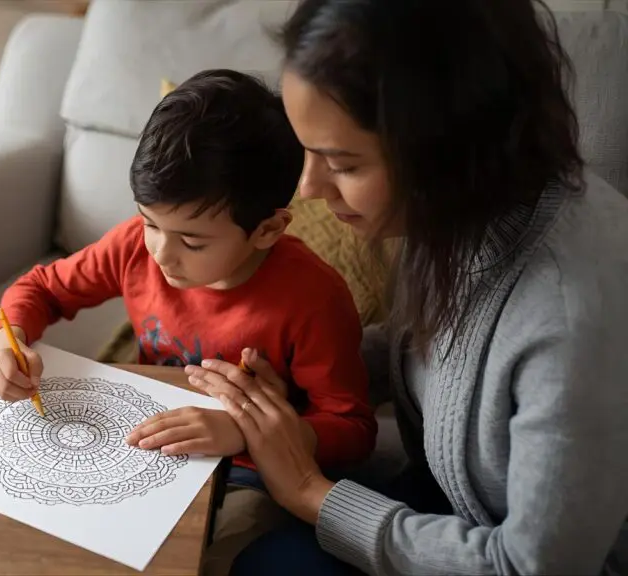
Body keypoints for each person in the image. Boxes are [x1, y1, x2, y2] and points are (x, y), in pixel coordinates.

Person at [184, 0, 628, 574]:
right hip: (449, 501)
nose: (308, 188)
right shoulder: (462, 205)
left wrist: (310, 494)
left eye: (342, 164)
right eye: (307, 153)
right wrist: (299, 375)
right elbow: (433, 349)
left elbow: (532, 565)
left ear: (447, 143)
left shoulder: (573, 318)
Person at [0, 69, 377, 574]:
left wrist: (244, 432)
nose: (162, 255)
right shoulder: (135, 246)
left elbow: (354, 427)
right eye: (150, 223)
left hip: (247, 474)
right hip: (139, 446)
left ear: (268, 229)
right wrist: (7, 342)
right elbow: (40, 289)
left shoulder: (314, 298)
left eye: (192, 242)